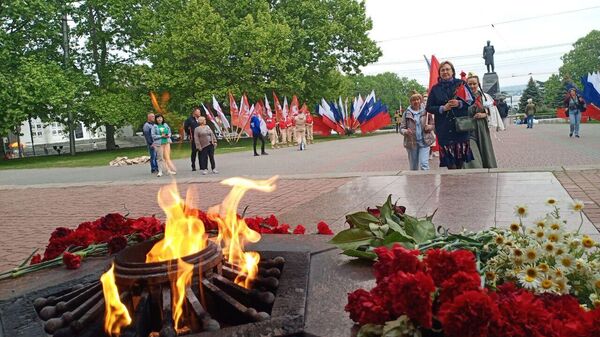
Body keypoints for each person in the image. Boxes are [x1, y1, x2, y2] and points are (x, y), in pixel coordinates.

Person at [425, 60, 474, 169]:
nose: (445, 72)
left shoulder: (461, 84)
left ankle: (459, 184)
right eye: (442, 70)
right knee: (450, 164)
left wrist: (459, 103)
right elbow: (429, 107)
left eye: (447, 69)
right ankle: (452, 184)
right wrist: (443, 108)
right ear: (439, 73)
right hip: (444, 129)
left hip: (460, 128)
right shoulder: (435, 89)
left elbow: (471, 101)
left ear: (452, 71)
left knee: (460, 162)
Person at [464, 74, 498, 169]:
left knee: (484, 148)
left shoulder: (485, 97)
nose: (472, 86)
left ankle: (488, 166)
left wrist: (484, 114)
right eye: (469, 84)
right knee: (471, 148)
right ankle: (475, 169)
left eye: (474, 84)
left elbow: (492, 110)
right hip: (469, 127)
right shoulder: (463, 97)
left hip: (481, 126)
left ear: (478, 84)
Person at [400, 92, 435, 170]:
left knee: (424, 164)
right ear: (410, 102)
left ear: (420, 100)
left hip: (425, 141)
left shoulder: (426, 112)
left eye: (417, 99)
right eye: (413, 100)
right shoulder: (406, 113)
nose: (416, 101)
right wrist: (406, 131)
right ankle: (414, 182)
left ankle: (426, 181)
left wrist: (430, 127)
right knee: (413, 167)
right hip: (412, 143)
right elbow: (401, 128)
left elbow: (433, 124)